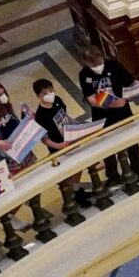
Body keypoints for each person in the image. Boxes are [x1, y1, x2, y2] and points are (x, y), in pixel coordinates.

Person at [78, 47, 139, 183]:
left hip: (122, 111)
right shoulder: (84, 74)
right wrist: (113, 104)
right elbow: (91, 99)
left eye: (99, 63)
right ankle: (113, 176)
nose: (98, 67)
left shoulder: (113, 66)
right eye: (94, 65)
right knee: (107, 145)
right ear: (87, 63)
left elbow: (131, 82)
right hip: (102, 115)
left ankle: (138, 168)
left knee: (132, 140)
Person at [31, 79, 93, 207]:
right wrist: (59, 146)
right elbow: (44, 139)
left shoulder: (57, 100)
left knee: (78, 166)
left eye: (51, 90)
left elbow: (65, 116)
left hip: (71, 138)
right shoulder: (40, 116)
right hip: (58, 147)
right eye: (45, 93)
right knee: (69, 172)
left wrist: (77, 130)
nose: (50, 94)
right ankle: (73, 195)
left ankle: (76, 190)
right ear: (38, 96)